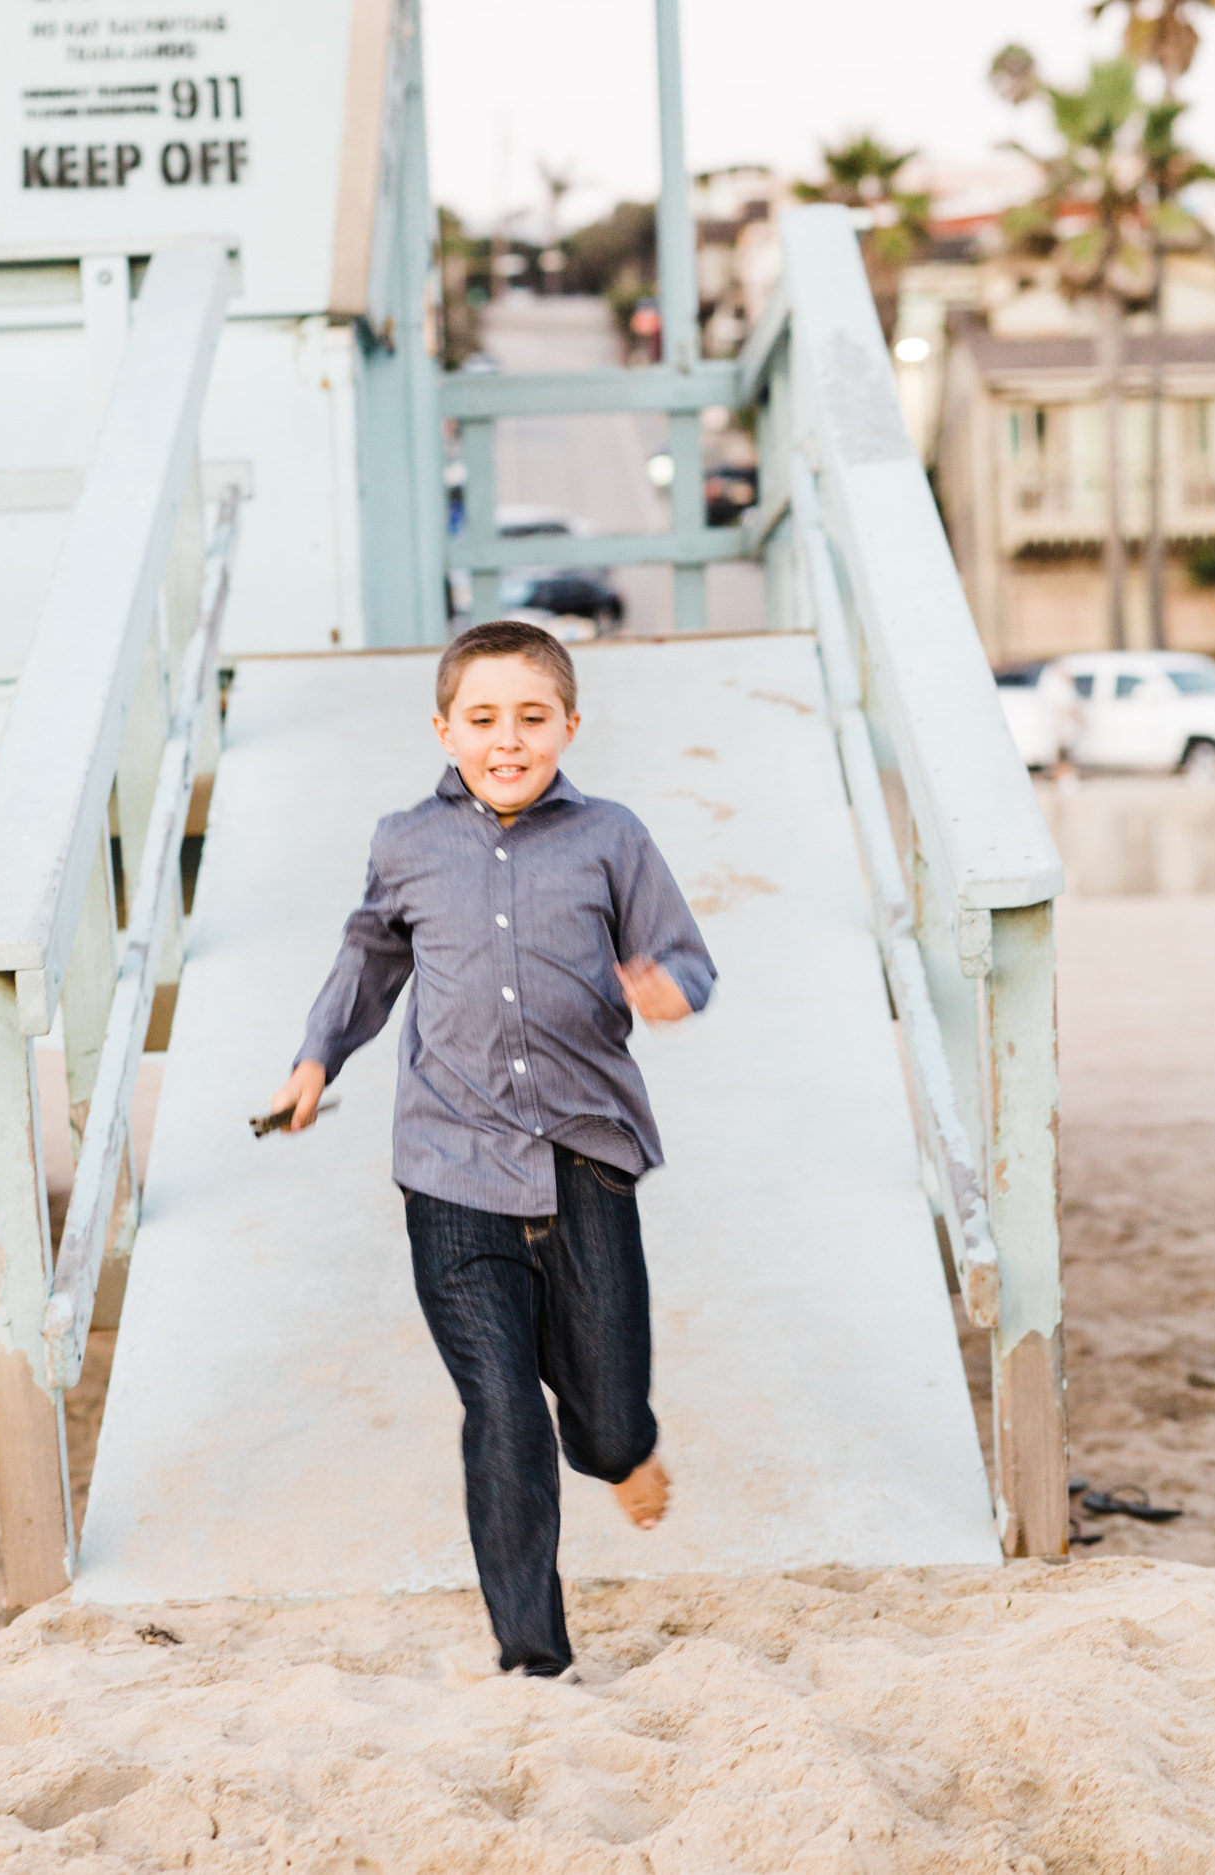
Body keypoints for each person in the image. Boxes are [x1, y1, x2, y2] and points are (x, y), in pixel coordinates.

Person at [270, 620, 715, 1678]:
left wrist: (667, 991)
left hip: (585, 1156)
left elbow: (686, 957)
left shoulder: (611, 837)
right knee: (501, 1403)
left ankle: (618, 1447)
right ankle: (532, 1655)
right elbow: (369, 959)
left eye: (529, 718)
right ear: (443, 728)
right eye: (481, 719)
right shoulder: (404, 844)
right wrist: (315, 1058)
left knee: (601, 1420)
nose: (505, 739)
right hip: (450, 1166)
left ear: (568, 724)